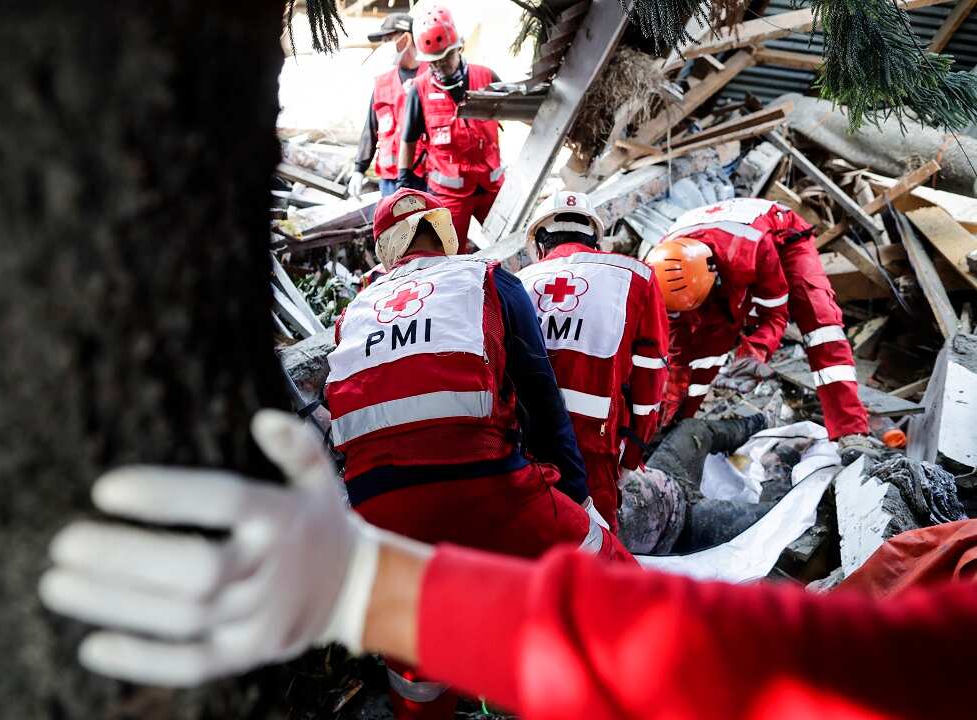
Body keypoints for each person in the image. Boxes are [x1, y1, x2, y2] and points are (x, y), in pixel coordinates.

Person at [40, 409, 977, 720]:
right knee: (674, 510)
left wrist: (386, 593)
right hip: (587, 493)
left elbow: (788, 668)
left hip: (524, 497)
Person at [323, 187, 628, 717]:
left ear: (385, 250)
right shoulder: (485, 279)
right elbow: (543, 398)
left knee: (414, 666)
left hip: (378, 512)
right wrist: (581, 499)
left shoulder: (354, 312)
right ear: (444, 231)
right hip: (489, 485)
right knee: (615, 579)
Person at [648, 198, 882, 463]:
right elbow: (677, 351)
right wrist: (666, 406)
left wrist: (752, 355)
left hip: (781, 238)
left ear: (714, 275)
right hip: (710, 255)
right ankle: (675, 423)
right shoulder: (658, 273)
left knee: (819, 321)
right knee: (706, 343)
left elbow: (774, 316)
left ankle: (851, 430)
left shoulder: (749, 251)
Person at [514, 191, 669, 530]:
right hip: (595, 447)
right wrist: (632, 457)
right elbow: (650, 376)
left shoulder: (518, 284)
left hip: (526, 444)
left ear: (540, 243)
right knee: (596, 547)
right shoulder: (637, 277)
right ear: (595, 241)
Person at [397, 5, 503, 252]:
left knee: (510, 242)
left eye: (446, 58)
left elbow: (523, 112)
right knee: (447, 255)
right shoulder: (420, 89)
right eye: (434, 62)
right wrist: (404, 179)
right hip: (450, 195)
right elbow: (409, 138)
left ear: (459, 47)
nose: (440, 66)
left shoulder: (486, 77)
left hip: (491, 187)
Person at [348, 13, 428, 198]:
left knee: (427, 227)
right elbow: (371, 128)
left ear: (407, 37)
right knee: (394, 227)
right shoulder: (382, 83)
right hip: (390, 181)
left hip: (425, 176)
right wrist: (359, 169)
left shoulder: (432, 77)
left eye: (388, 38)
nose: (384, 44)